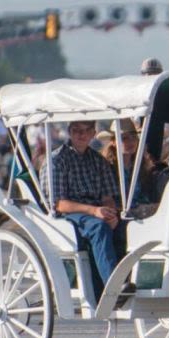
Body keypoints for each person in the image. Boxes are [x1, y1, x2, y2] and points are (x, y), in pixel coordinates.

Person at [40, 120, 133, 298]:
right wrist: (94, 211)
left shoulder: (98, 161)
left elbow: (108, 197)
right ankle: (112, 286)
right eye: (76, 130)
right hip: (69, 216)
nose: (81, 135)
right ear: (69, 132)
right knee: (99, 227)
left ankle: (128, 278)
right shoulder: (56, 160)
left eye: (86, 131)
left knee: (126, 226)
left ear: (93, 133)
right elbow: (58, 203)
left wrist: (111, 213)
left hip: (96, 213)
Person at [102, 118, 165, 219]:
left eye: (133, 137)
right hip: (123, 214)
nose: (131, 142)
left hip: (145, 209)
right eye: (124, 138)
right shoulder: (107, 168)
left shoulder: (142, 166)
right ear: (114, 142)